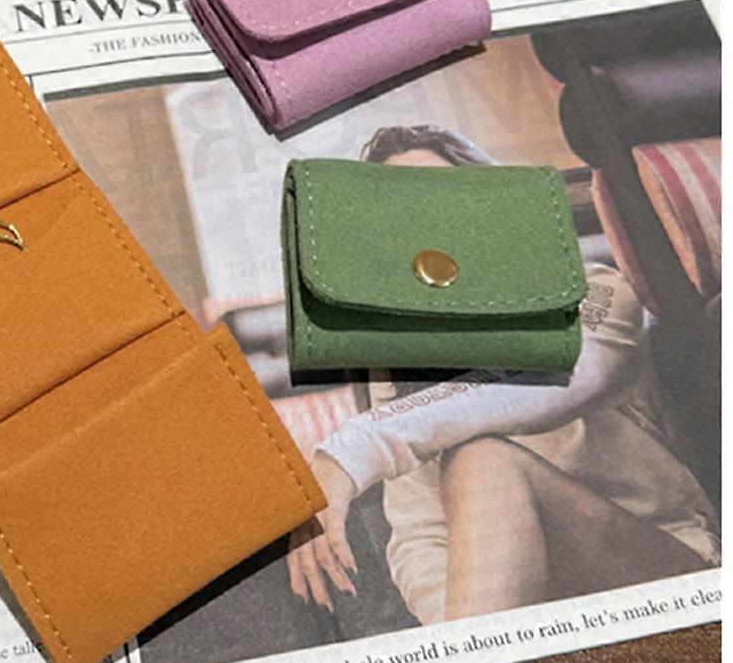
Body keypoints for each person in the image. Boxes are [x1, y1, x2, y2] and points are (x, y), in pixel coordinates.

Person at [287, 124, 721, 624]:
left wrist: (348, 452)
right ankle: (480, 660)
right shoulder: (399, 367)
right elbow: (420, 536)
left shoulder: (595, 293)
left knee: (481, 459)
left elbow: (549, 376)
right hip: (525, 616)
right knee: (469, 477)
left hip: (666, 577)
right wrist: (458, 630)